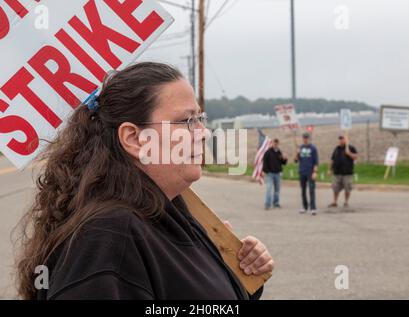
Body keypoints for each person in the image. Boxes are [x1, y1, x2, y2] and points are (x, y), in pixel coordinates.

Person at [15, 62, 274, 300]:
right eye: (186, 121)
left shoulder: (169, 208)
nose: (203, 133)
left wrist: (232, 271)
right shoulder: (108, 239)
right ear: (134, 138)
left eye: (200, 119)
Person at [327, 135, 358, 208]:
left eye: (342, 139)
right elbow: (332, 160)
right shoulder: (337, 149)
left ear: (346, 140)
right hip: (337, 172)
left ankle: (346, 202)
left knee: (347, 188)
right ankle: (334, 202)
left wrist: (349, 153)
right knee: (335, 188)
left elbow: (356, 157)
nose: (341, 141)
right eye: (340, 139)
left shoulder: (351, 148)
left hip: (347, 173)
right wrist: (329, 169)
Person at [295, 132, 319, 215]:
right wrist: (297, 153)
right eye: (304, 138)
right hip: (302, 171)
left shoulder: (313, 148)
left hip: (310, 172)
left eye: (306, 138)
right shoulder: (301, 147)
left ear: (309, 138)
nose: (305, 139)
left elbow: (316, 162)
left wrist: (315, 172)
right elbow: (296, 160)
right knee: (303, 190)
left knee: (311, 190)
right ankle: (304, 207)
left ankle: (313, 208)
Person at [262, 138, 288, 210]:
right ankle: (267, 204)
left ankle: (276, 203)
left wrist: (285, 159)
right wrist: (265, 171)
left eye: (277, 143)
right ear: (272, 143)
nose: (275, 144)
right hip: (269, 174)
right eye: (274, 143)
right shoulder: (268, 152)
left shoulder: (279, 152)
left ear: (278, 144)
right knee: (269, 189)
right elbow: (265, 163)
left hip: (278, 174)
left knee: (277, 190)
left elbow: (283, 163)